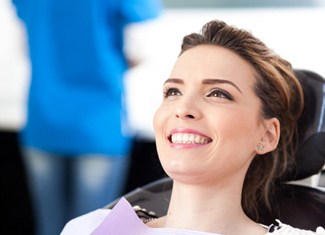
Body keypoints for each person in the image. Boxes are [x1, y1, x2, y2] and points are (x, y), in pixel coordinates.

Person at [61, 19, 325, 235]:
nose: (182, 108)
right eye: (173, 91)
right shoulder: (89, 228)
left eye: (218, 94)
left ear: (267, 135)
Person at [11, 1, 162, 235]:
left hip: (44, 117)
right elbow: (142, 40)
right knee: (94, 229)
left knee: (50, 226)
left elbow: (24, 43)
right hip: (99, 123)